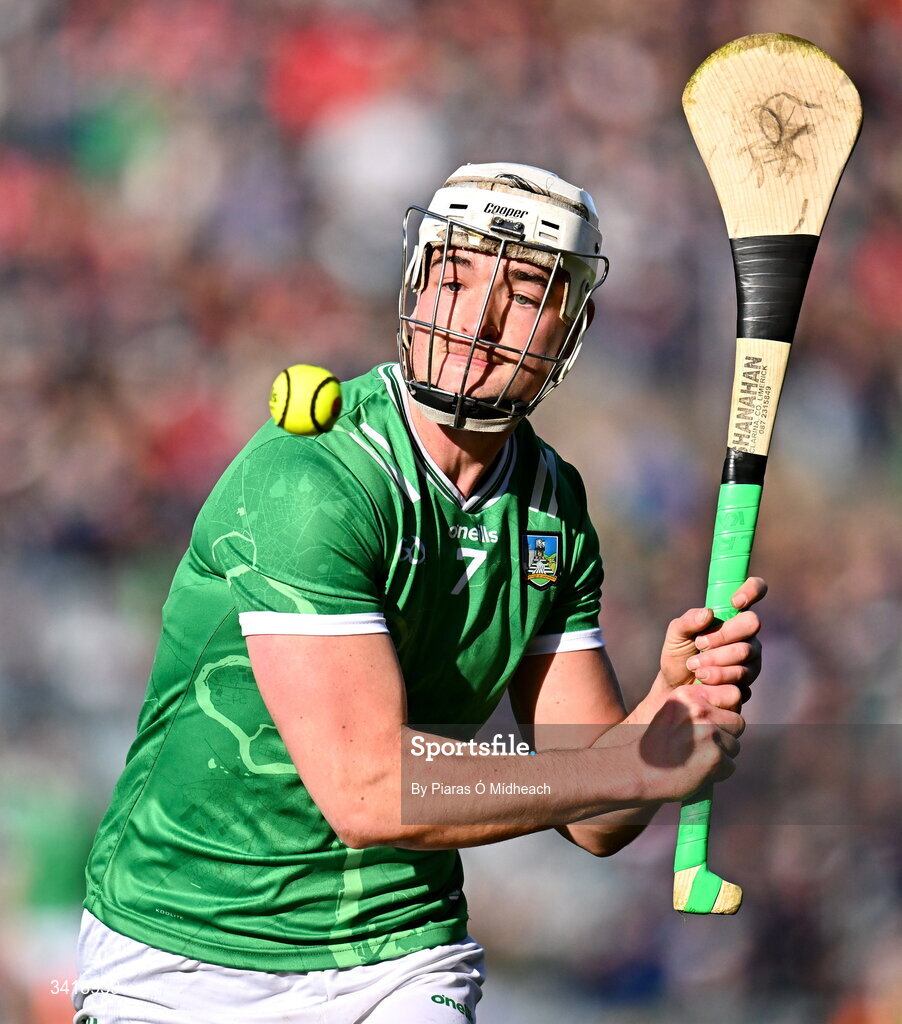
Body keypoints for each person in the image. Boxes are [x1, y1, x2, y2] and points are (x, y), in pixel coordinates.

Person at [74, 162, 765, 1023]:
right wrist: (629, 761)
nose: (477, 320)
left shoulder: (553, 508)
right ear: (414, 284)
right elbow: (367, 789)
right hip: (184, 947)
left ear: (572, 326)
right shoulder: (313, 476)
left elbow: (597, 817)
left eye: (524, 288)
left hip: (398, 955)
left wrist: (668, 709)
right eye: (454, 275)